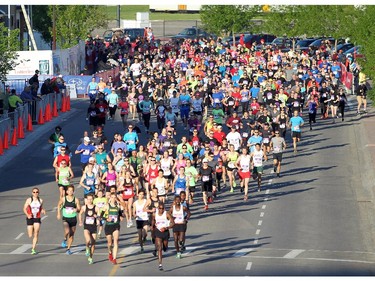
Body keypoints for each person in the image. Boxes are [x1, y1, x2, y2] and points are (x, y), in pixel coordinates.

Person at [100, 192, 125, 265]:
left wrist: (121, 217)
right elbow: (101, 216)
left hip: (116, 225)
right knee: (109, 243)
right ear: (110, 198)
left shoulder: (118, 206)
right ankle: (110, 252)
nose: (113, 199)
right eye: (112, 197)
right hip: (108, 226)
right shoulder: (107, 206)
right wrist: (106, 218)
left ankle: (114, 258)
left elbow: (120, 214)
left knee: (116, 241)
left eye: (115, 197)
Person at [57, 185, 81, 255]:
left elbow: (79, 209)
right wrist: (58, 214)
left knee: (71, 235)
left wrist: (76, 209)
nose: (70, 192)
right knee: (67, 230)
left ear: (73, 191)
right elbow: (58, 205)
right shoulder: (64, 199)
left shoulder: (76, 200)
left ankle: (68, 249)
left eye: (71, 190)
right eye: (69, 190)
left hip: (73, 218)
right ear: (67, 191)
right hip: (65, 218)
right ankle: (64, 239)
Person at [151, 202, 175, 271]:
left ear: (164, 208)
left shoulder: (167, 214)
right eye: (160, 208)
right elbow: (153, 221)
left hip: (165, 232)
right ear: (158, 208)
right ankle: (160, 264)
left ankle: (165, 247)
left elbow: (173, 223)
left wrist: (166, 228)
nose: (161, 210)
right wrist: (152, 226)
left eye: (162, 208)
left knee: (165, 248)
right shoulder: (155, 214)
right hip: (158, 232)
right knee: (159, 249)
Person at [23, 187, 46, 255]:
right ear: (32, 193)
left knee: (36, 233)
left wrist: (43, 210)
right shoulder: (29, 200)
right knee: (30, 235)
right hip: (30, 218)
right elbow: (24, 208)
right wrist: (27, 215)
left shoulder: (41, 200)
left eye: (37, 192)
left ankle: (33, 249)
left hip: (37, 218)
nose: (35, 193)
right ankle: (32, 230)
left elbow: (41, 208)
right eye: (34, 192)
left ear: (38, 193)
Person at [78, 193, 100, 264]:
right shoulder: (84, 207)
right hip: (86, 226)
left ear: (93, 199)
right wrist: (80, 221)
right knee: (88, 240)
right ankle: (87, 248)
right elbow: (80, 214)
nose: (89, 200)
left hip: (93, 227)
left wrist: (97, 219)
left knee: (93, 243)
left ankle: (90, 257)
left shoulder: (96, 208)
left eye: (91, 199)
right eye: (88, 199)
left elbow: (99, 217)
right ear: (86, 200)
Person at [169, 195, 191, 259]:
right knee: (175, 240)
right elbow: (168, 214)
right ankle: (178, 252)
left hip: (181, 224)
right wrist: (171, 219)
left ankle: (182, 244)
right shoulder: (172, 208)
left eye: (179, 200)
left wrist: (186, 219)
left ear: (180, 201)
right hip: (175, 224)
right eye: (176, 200)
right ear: (174, 201)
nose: (178, 201)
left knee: (180, 240)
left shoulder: (183, 207)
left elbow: (189, 213)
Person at [133, 189, 151, 253]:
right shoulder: (135, 203)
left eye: (142, 194)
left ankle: (144, 238)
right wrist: (135, 215)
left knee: (145, 233)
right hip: (138, 220)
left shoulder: (145, 201)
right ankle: (141, 247)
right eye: (140, 194)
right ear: (138, 194)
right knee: (140, 235)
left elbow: (149, 206)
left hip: (145, 219)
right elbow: (133, 212)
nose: (141, 195)